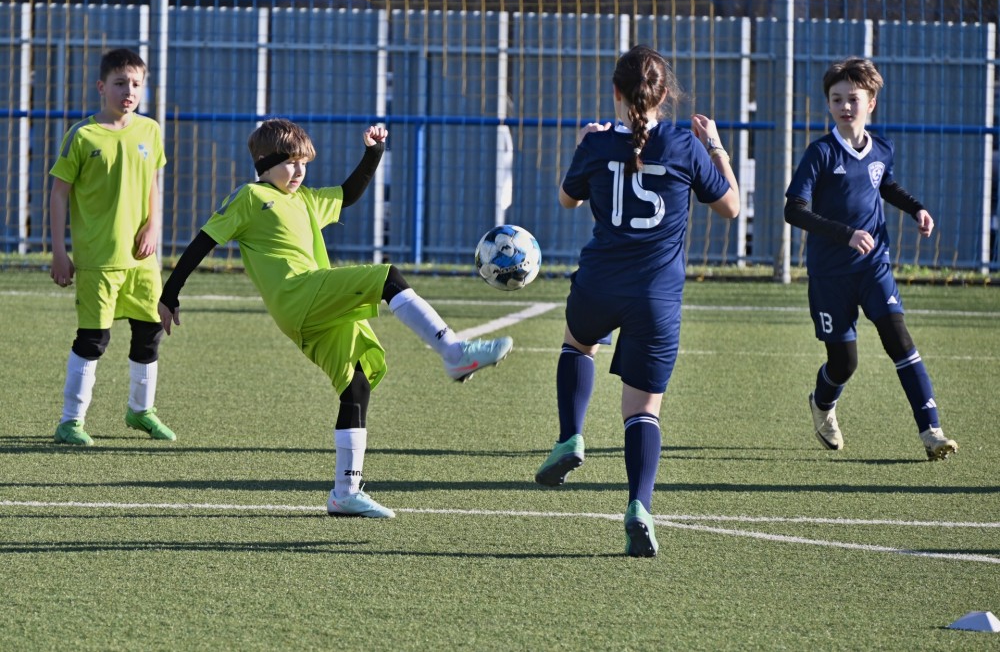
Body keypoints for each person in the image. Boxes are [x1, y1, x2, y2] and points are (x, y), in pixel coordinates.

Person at [158, 118, 513, 519]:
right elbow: (203, 241)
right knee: (388, 277)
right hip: (299, 295)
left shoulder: (306, 199)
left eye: (304, 164)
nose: (299, 171)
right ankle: (453, 351)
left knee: (356, 385)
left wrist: (374, 152)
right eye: (290, 162)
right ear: (264, 162)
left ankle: (345, 493)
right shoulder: (251, 197)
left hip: (313, 309)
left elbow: (348, 193)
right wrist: (170, 293)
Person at [533, 45, 740, 557]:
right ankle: (639, 507)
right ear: (664, 94)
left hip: (599, 284)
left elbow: (567, 200)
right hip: (656, 298)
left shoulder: (597, 143)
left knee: (578, 344)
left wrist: (583, 144)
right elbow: (731, 208)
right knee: (643, 410)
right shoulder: (685, 145)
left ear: (616, 92)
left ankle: (570, 437)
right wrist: (716, 147)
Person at [784, 56, 958, 461]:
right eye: (837, 99)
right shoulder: (820, 153)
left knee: (900, 340)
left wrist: (916, 208)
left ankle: (932, 431)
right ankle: (822, 404)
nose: (845, 106)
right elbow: (794, 210)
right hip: (830, 274)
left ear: (871, 103)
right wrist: (846, 234)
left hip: (874, 266)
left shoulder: (881, 148)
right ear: (828, 103)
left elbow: (885, 184)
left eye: (853, 99)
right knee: (844, 363)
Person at [49, 47, 175, 447]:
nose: (129, 91)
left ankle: (141, 411)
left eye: (136, 84)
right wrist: (58, 251)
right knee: (93, 339)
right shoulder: (82, 135)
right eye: (120, 83)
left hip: (143, 260)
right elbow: (59, 193)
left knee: (149, 332)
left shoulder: (150, 130)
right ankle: (70, 422)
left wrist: (154, 226)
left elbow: (154, 184)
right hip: (99, 258)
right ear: (102, 87)